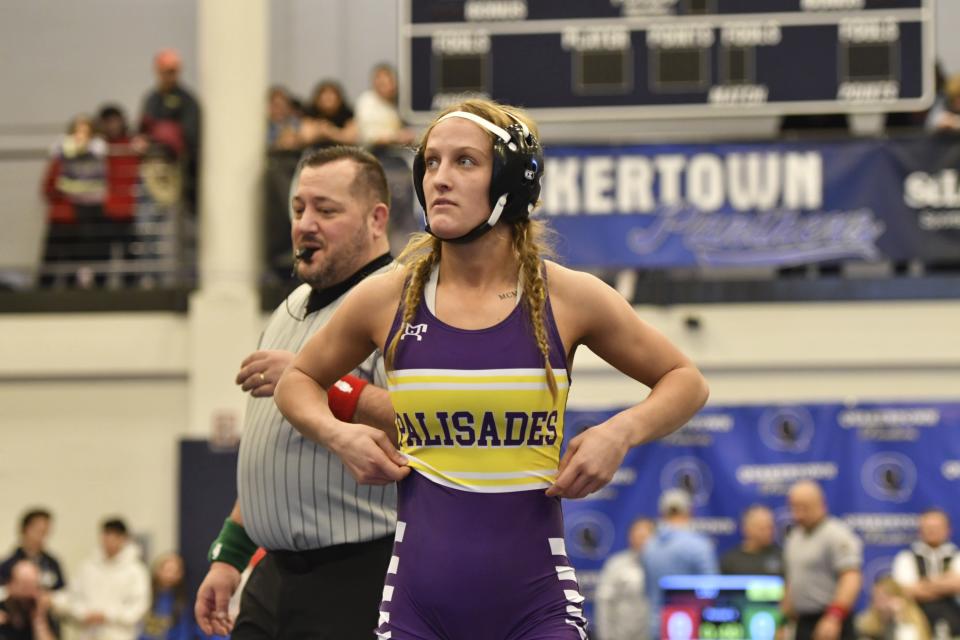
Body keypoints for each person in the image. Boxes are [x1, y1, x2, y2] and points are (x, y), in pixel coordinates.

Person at [274, 98, 710, 639]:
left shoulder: (569, 297)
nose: (439, 178)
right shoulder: (387, 298)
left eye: (464, 162)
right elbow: (297, 380)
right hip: (417, 610)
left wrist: (620, 432)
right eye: (431, 162)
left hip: (537, 609)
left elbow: (685, 380)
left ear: (512, 180)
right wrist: (338, 436)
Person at [194, 146, 397, 640]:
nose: (306, 224)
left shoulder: (403, 304)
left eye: (326, 211)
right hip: (274, 576)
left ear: (376, 219)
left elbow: (426, 422)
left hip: (360, 572)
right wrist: (229, 556)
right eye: (299, 208)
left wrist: (322, 383)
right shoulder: (288, 309)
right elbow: (271, 454)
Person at [782, 480, 863, 640]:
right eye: (794, 507)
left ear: (821, 504)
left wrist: (834, 617)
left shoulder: (837, 534)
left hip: (831, 622)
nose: (798, 514)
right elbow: (792, 581)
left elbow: (851, 578)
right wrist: (783, 621)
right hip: (803, 623)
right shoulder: (794, 537)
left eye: (804, 508)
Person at [642, 488, 718, 638]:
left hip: (657, 628)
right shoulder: (699, 545)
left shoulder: (649, 546)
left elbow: (647, 591)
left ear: (662, 513)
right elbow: (711, 593)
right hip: (691, 628)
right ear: (690, 511)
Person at [58, 518, 150, 640]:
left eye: (115, 536)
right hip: (88, 633)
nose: (109, 540)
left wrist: (108, 615)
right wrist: (84, 613)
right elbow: (74, 596)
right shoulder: (87, 566)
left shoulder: (136, 571)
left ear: (124, 539)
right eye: (106, 535)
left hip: (120, 634)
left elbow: (139, 606)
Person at [138, 48, 200, 209]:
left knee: (173, 214)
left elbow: (191, 134)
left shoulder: (186, 99)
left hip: (177, 168)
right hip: (152, 165)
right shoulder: (151, 99)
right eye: (165, 71)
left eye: (173, 71)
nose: (169, 76)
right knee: (150, 216)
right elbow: (142, 128)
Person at [891, 508, 960, 637]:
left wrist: (923, 584)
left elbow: (957, 584)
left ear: (948, 530)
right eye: (927, 527)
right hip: (915, 620)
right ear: (920, 530)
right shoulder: (905, 557)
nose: (932, 531)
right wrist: (946, 582)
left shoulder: (957, 556)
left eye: (937, 527)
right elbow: (906, 591)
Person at [595, 517, 656, 640]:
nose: (642, 540)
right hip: (622, 636)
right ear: (630, 537)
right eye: (638, 535)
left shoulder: (663, 566)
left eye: (645, 536)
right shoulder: (616, 564)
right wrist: (605, 636)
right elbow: (604, 603)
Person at [0, 510, 66, 594]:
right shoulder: (8, 565)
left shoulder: (52, 563)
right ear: (24, 530)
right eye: (38, 531)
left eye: (45, 532)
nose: (41, 537)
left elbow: (63, 593)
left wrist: (51, 599)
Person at [139, 553, 198, 640]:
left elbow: (185, 633)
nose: (170, 575)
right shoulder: (145, 596)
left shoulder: (181, 604)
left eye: (175, 571)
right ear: (157, 570)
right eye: (168, 570)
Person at [354, 64, 415, 149]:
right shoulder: (367, 101)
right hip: (373, 152)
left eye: (391, 82)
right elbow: (369, 136)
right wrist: (396, 137)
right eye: (383, 83)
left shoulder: (395, 103)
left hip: (394, 151)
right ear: (375, 83)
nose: (390, 87)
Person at [857, 576, 931, 640]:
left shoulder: (914, 622)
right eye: (875, 599)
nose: (879, 606)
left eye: (884, 599)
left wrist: (899, 618)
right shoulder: (866, 626)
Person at [720, 504, 783, 576]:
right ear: (747, 529)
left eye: (770, 528)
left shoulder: (781, 556)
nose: (769, 532)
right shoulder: (730, 561)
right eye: (762, 529)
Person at [0, 561, 56, 640]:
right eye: (25, 586)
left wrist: (39, 620)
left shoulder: (39, 608)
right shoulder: (3, 609)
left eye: (33, 585)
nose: (30, 592)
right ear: (10, 584)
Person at [299, 80, 357, 149]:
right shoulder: (310, 111)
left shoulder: (347, 113)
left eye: (331, 97)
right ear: (317, 99)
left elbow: (351, 138)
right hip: (314, 150)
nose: (328, 99)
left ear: (339, 99)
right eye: (325, 97)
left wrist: (329, 131)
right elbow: (306, 137)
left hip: (341, 150)